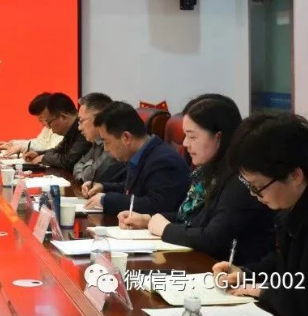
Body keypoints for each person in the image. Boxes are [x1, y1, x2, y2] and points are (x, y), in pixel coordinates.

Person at [118, 96, 275, 264]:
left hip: (233, 271)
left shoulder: (241, 180)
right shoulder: (207, 171)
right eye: (185, 136)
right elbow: (192, 219)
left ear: (218, 137)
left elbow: (212, 238)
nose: (185, 143)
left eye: (192, 137)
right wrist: (147, 219)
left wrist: (166, 229)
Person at [213, 112, 308, 315]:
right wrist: (247, 274)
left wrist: (263, 291)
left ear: (295, 175)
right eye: (248, 185)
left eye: (257, 186)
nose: (253, 194)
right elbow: (286, 262)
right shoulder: (299, 196)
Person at [84, 101, 190, 215]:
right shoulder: (141, 153)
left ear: (126, 137)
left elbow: (156, 206)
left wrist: (106, 200)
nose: (106, 149)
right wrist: (103, 187)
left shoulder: (164, 161)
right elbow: (133, 188)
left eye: (107, 142)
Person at [23, 93, 92, 170]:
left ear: (63, 117)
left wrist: (43, 158)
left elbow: (69, 161)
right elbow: (58, 150)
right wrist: (38, 153)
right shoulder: (70, 129)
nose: (50, 129)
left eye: (49, 123)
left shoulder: (83, 131)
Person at [73, 92, 126, 185]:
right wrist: (90, 165)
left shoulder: (116, 142)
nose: (79, 128)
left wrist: (89, 164)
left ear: (99, 118)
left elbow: (90, 178)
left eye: (81, 121)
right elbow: (78, 165)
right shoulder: (96, 141)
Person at [0, 92, 64, 156]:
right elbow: (39, 143)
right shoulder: (48, 127)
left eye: (41, 117)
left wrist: (22, 148)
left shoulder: (60, 127)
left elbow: (52, 150)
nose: (40, 121)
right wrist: (13, 144)